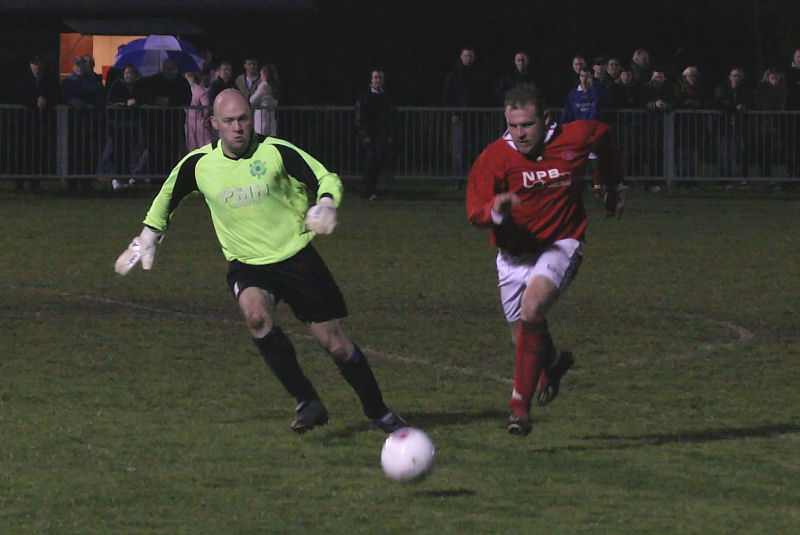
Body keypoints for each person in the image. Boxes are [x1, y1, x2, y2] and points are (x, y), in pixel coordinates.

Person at [113, 89, 406, 435]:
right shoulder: (198, 164)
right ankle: (306, 400)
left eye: (243, 119)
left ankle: (377, 409)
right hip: (248, 263)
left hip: (296, 257)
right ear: (213, 124)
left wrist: (326, 203)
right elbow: (167, 196)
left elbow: (326, 177)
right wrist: (148, 236)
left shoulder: (276, 152)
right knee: (256, 317)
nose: (238, 128)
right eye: (229, 121)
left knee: (336, 345)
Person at [466, 84, 625, 436]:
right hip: (512, 255)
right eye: (513, 126)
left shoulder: (576, 136)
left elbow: (605, 136)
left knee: (532, 308)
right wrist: (494, 209)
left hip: (560, 243)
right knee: (521, 335)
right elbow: (474, 211)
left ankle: (518, 410)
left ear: (546, 120)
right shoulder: (494, 157)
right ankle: (552, 364)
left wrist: (610, 185)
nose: (520, 134)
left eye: (527, 125)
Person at [442, 46, 488, 186]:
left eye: (470, 56)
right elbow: (447, 96)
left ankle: (474, 177)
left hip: (475, 118)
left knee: (475, 147)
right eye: (466, 55)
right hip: (460, 117)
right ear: (461, 57)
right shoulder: (454, 74)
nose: (468, 58)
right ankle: (458, 179)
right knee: (459, 148)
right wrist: (453, 113)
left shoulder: (478, 74)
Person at [14, 55, 59, 192]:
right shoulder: (23, 80)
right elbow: (19, 96)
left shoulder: (49, 81)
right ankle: (19, 181)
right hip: (26, 122)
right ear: (30, 66)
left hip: (42, 122)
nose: (37, 67)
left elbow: (55, 95)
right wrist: (35, 101)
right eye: (35, 64)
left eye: (39, 63)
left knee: (38, 152)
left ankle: (35, 181)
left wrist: (46, 101)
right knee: (23, 152)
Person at [60, 55, 105, 192]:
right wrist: (76, 103)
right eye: (77, 65)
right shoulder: (69, 82)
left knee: (88, 152)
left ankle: (86, 180)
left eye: (82, 65)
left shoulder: (92, 81)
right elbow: (63, 96)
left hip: (88, 123)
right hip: (74, 123)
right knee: (74, 152)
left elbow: (100, 96)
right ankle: (73, 181)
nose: (80, 68)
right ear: (74, 67)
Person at [141, 58, 192, 178]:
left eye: (172, 69)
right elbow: (146, 96)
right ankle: (155, 179)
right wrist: (156, 101)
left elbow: (186, 99)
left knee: (172, 153)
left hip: (174, 123)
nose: (169, 72)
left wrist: (170, 101)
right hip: (155, 124)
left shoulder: (182, 82)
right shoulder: (154, 81)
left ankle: (169, 178)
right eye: (167, 69)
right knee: (155, 152)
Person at [354, 69, 394, 200]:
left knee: (376, 163)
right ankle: (368, 191)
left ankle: (373, 190)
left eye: (380, 78)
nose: (378, 80)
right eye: (375, 78)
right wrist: (364, 135)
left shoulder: (385, 96)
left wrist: (388, 134)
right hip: (369, 135)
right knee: (369, 163)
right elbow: (360, 117)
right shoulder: (364, 96)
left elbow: (388, 117)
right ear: (371, 80)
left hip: (380, 135)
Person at [106, 64, 147, 190]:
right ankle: (117, 178)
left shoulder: (140, 86)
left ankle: (127, 177)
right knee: (118, 151)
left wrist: (137, 102)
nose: (129, 75)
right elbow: (111, 100)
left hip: (133, 124)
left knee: (131, 152)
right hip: (118, 124)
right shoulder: (116, 85)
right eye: (127, 72)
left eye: (132, 73)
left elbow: (144, 98)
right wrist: (125, 103)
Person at [714, 67, 751, 182]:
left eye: (739, 76)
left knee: (733, 153)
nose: (736, 78)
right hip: (724, 124)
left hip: (738, 125)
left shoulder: (745, 90)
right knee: (723, 153)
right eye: (734, 76)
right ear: (730, 77)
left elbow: (749, 101)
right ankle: (723, 179)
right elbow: (720, 102)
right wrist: (735, 107)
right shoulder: (722, 88)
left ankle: (730, 177)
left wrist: (744, 106)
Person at [673, 65, 708, 183]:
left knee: (694, 152)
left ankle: (693, 178)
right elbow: (678, 101)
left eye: (694, 76)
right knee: (683, 152)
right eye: (690, 76)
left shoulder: (700, 88)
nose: (692, 78)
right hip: (682, 125)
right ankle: (682, 178)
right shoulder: (679, 87)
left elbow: (703, 101)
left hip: (696, 125)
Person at [640, 68, 673, 189]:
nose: (657, 80)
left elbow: (674, 103)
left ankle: (661, 180)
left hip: (664, 128)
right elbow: (642, 102)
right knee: (650, 155)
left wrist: (666, 105)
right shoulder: (646, 89)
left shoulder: (668, 90)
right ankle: (650, 181)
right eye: (655, 77)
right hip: (649, 127)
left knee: (662, 154)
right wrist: (654, 105)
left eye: (660, 77)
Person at [752, 68, 786, 180]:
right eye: (772, 78)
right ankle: (764, 173)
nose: (774, 81)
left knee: (772, 148)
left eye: (776, 79)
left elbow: (780, 104)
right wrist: (766, 116)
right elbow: (759, 103)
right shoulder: (763, 89)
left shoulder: (781, 90)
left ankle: (770, 173)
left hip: (776, 122)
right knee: (763, 147)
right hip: (763, 122)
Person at [184, 71, 212, 152]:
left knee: (192, 147)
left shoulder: (186, 91)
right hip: (200, 123)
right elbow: (206, 108)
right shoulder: (201, 91)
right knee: (204, 147)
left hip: (190, 123)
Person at [250, 63, 280, 137]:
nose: (260, 77)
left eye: (261, 75)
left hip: (262, 120)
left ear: (265, 75)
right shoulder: (274, 85)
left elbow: (252, 100)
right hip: (271, 120)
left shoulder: (264, 86)